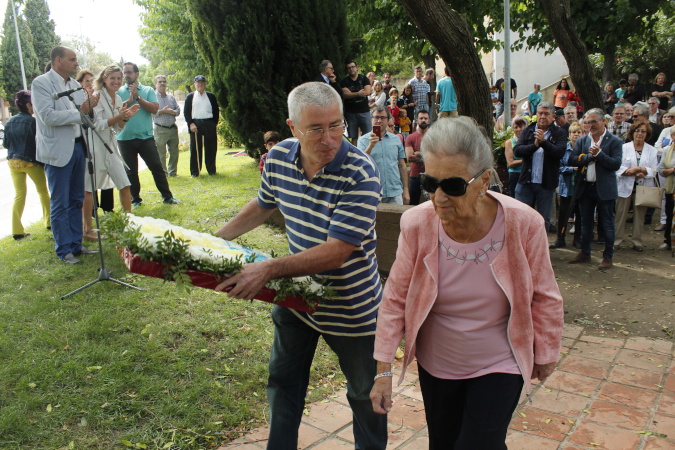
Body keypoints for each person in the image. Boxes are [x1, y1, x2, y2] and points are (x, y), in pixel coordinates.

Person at [369, 116, 563, 449]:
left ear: (484, 180)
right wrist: (382, 370)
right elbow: (395, 299)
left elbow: (545, 296)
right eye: (431, 183)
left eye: (454, 186)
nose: (439, 197)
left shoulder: (523, 224)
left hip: (499, 360)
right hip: (437, 362)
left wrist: (546, 352)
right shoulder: (416, 224)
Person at [214, 81, 387, 449]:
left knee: (364, 397)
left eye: (336, 125)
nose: (330, 139)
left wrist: (269, 269)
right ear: (292, 128)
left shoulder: (361, 173)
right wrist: (218, 238)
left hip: (352, 310)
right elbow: (263, 205)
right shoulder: (278, 159)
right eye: (316, 129)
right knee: (284, 383)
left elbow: (337, 251)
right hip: (296, 297)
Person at [32, 46, 99, 264]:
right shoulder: (41, 83)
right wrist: (81, 112)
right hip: (57, 151)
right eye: (72, 60)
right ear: (58, 60)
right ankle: (64, 250)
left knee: (76, 199)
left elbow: (84, 117)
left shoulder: (74, 85)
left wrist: (90, 111)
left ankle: (76, 244)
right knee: (60, 202)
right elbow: (48, 116)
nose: (76, 63)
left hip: (78, 147)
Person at [81, 65, 140, 241]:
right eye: (112, 78)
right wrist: (120, 117)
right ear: (104, 79)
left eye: (118, 78)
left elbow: (117, 128)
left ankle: (128, 222)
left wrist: (126, 118)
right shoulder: (96, 97)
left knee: (124, 183)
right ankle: (88, 229)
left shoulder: (120, 99)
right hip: (95, 145)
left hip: (111, 145)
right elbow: (98, 124)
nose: (116, 81)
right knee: (90, 188)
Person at [116, 62, 180, 207]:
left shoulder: (147, 90)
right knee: (131, 172)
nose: (126, 75)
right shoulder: (118, 92)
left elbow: (154, 109)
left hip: (145, 138)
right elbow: (116, 111)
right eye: (124, 72)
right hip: (125, 138)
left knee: (156, 167)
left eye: (129, 72)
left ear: (137, 74)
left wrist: (138, 97)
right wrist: (129, 100)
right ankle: (136, 200)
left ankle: (167, 197)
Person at [568, 108, 623, 269]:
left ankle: (608, 256)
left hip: (605, 189)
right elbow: (572, 159)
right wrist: (588, 157)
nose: (590, 125)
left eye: (594, 121)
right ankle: (585, 252)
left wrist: (600, 155)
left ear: (603, 121)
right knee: (585, 222)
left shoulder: (614, 141)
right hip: (586, 188)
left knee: (606, 223)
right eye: (588, 122)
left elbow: (616, 164)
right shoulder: (582, 141)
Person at [513, 102, 568, 232]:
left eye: (546, 114)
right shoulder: (528, 130)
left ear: (553, 116)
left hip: (546, 184)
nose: (542, 116)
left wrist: (543, 143)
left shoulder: (559, 133)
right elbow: (518, 151)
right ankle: (522, 249)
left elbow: (558, 153)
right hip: (526, 182)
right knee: (520, 217)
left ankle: (541, 250)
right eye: (540, 113)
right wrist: (535, 145)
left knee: (543, 220)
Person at [5, 90, 50, 240]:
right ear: (28, 105)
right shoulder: (33, 122)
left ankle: (16, 230)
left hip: (12, 162)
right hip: (31, 162)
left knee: (19, 194)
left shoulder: (10, 121)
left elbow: (6, 143)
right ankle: (49, 222)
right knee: (43, 191)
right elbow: (37, 144)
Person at [613, 122, 658, 252]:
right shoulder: (623, 147)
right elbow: (617, 165)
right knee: (620, 214)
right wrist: (627, 171)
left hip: (642, 186)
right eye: (637, 130)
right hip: (625, 184)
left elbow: (654, 170)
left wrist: (641, 169)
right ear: (632, 133)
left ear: (647, 134)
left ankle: (637, 241)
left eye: (643, 131)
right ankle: (617, 240)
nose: (640, 133)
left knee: (639, 216)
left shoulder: (652, 150)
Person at [78, 69, 114, 213]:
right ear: (80, 83)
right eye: (86, 80)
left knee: (106, 174)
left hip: (102, 142)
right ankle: (92, 210)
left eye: (92, 80)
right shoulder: (78, 99)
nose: (90, 83)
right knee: (90, 179)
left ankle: (107, 208)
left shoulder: (99, 97)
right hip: (86, 143)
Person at [358, 107, 409, 205]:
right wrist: (370, 146)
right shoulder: (363, 140)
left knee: (397, 220)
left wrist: (406, 190)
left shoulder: (396, 139)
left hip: (395, 192)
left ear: (388, 120)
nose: (379, 120)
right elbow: (360, 164)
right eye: (376, 117)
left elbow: (402, 165)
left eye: (383, 118)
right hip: (372, 193)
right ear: (371, 119)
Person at [550, 121, 583, 249]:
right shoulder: (564, 150)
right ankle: (560, 239)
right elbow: (558, 167)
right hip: (566, 188)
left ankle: (577, 239)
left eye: (578, 132)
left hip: (580, 188)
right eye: (573, 132)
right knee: (563, 214)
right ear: (569, 134)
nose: (576, 135)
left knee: (579, 215)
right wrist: (571, 169)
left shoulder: (584, 149)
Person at [184, 75, 219, 177]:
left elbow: (216, 111)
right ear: (194, 84)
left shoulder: (211, 96)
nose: (200, 84)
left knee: (211, 148)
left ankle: (211, 171)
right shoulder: (190, 97)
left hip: (209, 123)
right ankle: (195, 172)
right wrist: (191, 123)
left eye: (202, 83)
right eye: (198, 83)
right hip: (195, 123)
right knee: (195, 148)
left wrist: (213, 123)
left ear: (205, 84)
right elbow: (186, 112)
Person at [153, 74, 181, 177]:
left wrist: (171, 112)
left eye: (164, 81)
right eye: (160, 82)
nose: (162, 83)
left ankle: (172, 172)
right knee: (161, 154)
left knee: (174, 152)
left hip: (172, 128)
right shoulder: (153, 97)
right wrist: (162, 111)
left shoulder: (171, 97)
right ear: (155, 84)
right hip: (160, 129)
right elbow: (151, 113)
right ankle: (163, 174)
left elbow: (178, 110)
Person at [340, 60, 372, 145]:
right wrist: (358, 93)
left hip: (364, 111)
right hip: (351, 112)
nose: (351, 69)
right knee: (353, 136)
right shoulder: (344, 81)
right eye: (349, 68)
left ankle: (367, 154)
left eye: (353, 67)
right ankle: (354, 155)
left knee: (367, 135)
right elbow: (345, 95)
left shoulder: (364, 79)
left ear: (357, 67)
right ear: (347, 70)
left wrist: (351, 94)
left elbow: (368, 92)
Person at [405, 110, 431, 205]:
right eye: (421, 118)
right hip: (415, 176)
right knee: (413, 203)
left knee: (431, 203)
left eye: (425, 118)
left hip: (430, 175)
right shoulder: (411, 137)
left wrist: (419, 154)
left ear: (429, 121)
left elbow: (437, 156)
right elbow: (410, 158)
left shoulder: (434, 136)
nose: (423, 120)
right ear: (417, 120)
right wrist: (428, 155)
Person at [657, 127, 675, 250]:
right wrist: (673, 170)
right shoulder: (667, 150)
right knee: (669, 214)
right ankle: (668, 240)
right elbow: (661, 170)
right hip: (671, 188)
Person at [504, 115, 525, 198]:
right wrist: (525, 160)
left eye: (521, 127)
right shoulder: (509, 142)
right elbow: (510, 163)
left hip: (526, 174)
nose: (519, 129)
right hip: (515, 175)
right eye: (516, 127)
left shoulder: (528, 141)